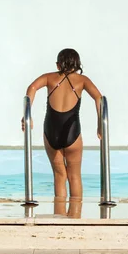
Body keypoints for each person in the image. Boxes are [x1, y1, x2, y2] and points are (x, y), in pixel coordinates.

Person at [22, 49, 102, 200]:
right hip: (72, 132)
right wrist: (100, 124)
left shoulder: (49, 77)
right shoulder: (82, 80)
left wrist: (27, 114)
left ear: (58, 65)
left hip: (51, 131)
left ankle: (59, 216)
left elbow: (32, 88)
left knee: (59, 175)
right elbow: (98, 97)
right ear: (77, 64)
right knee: (74, 176)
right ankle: (75, 215)